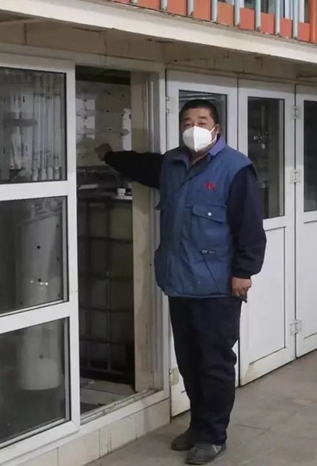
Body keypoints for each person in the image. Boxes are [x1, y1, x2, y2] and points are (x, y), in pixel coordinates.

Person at [96, 99, 266, 465]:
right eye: (187, 121)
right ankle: (198, 424)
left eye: (202, 121)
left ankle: (213, 435)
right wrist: (109, 155)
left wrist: (244, 272)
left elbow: (250, 226)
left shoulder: (236, 168)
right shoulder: (171, 164)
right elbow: (141, 165)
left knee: (215, 363)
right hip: (180, 282)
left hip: (218, 287)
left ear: (216, 128)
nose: (194, 127)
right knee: (189, 361)